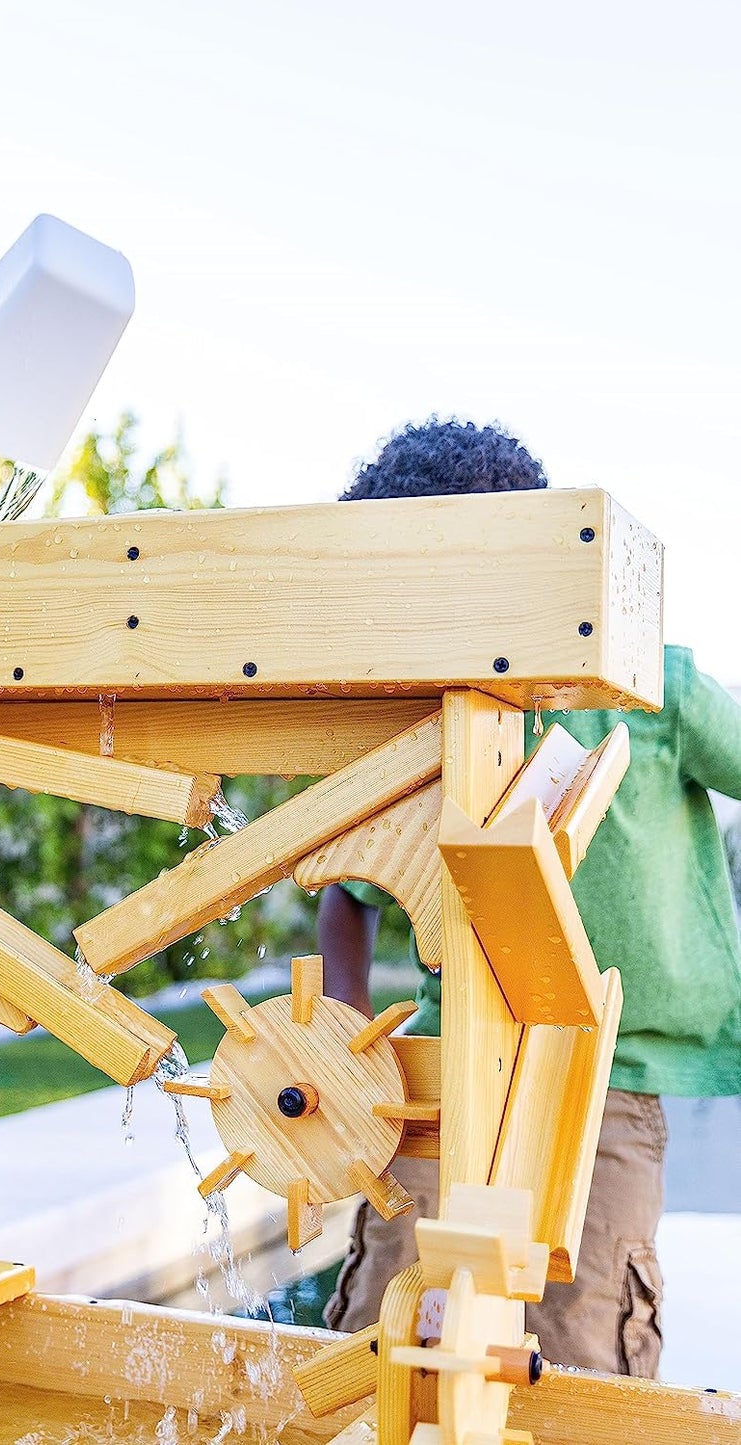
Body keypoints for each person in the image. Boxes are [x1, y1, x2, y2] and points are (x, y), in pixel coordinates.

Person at [319, 418, 741, 1378]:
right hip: (445, 1059)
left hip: (613, 1074)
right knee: (381, 1334)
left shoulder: (652, 687)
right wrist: (348, 1036)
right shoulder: (424, 723)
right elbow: (349, 896)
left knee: (582, 1345)